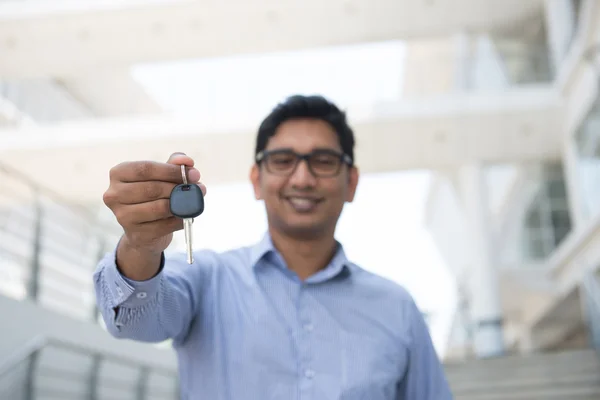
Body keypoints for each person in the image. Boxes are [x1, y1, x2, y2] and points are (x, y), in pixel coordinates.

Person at [93, 95, 454, 400]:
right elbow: (133, 320)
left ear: (351, 183)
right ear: (256, 180)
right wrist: (142, 246)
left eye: (323, 162)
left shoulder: (397, 309)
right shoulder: (208, 280)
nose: (302, 178)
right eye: (283, 161)